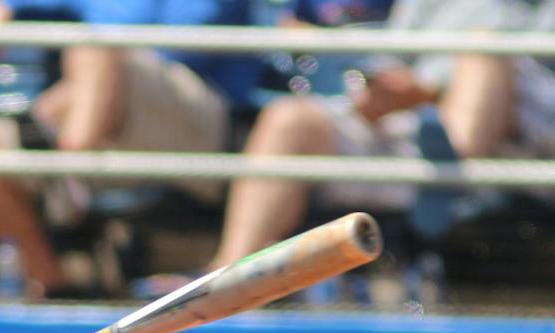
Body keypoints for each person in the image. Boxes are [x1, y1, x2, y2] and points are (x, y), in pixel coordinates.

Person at [201, 0, 555, 272]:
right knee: (289, 119)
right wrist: (380, 95)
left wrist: (432, 92)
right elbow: (390, 62)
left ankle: (448, 181)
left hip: (525, 144)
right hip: (415, 136)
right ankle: (229, 277)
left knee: (484, 51)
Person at [0, 0, 261, 298]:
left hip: (194, 116)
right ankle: (58, 286)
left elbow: (177, 46)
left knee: (97, 50)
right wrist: (3, 5)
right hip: (94, 111)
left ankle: (67, 176)